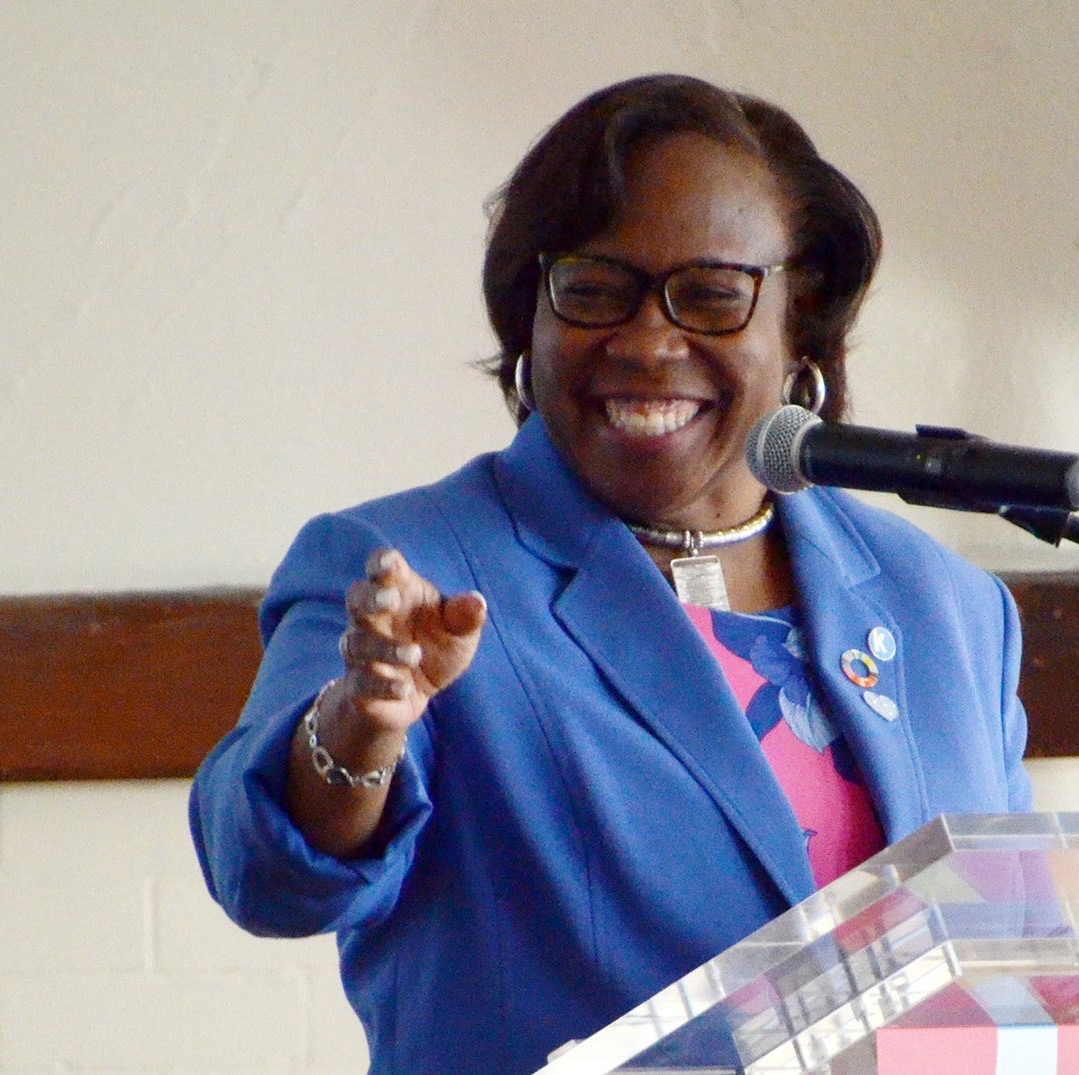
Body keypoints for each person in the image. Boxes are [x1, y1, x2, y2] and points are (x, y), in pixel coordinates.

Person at [190, 74, 1031, 1075]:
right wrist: (360, 725)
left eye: (711, 295)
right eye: (593, 291)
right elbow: (265, 877)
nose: (646, 342)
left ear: (799, 320)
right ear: (531, 320)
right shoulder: (407, 571)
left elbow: (1019, 962)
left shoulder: (942, 604)